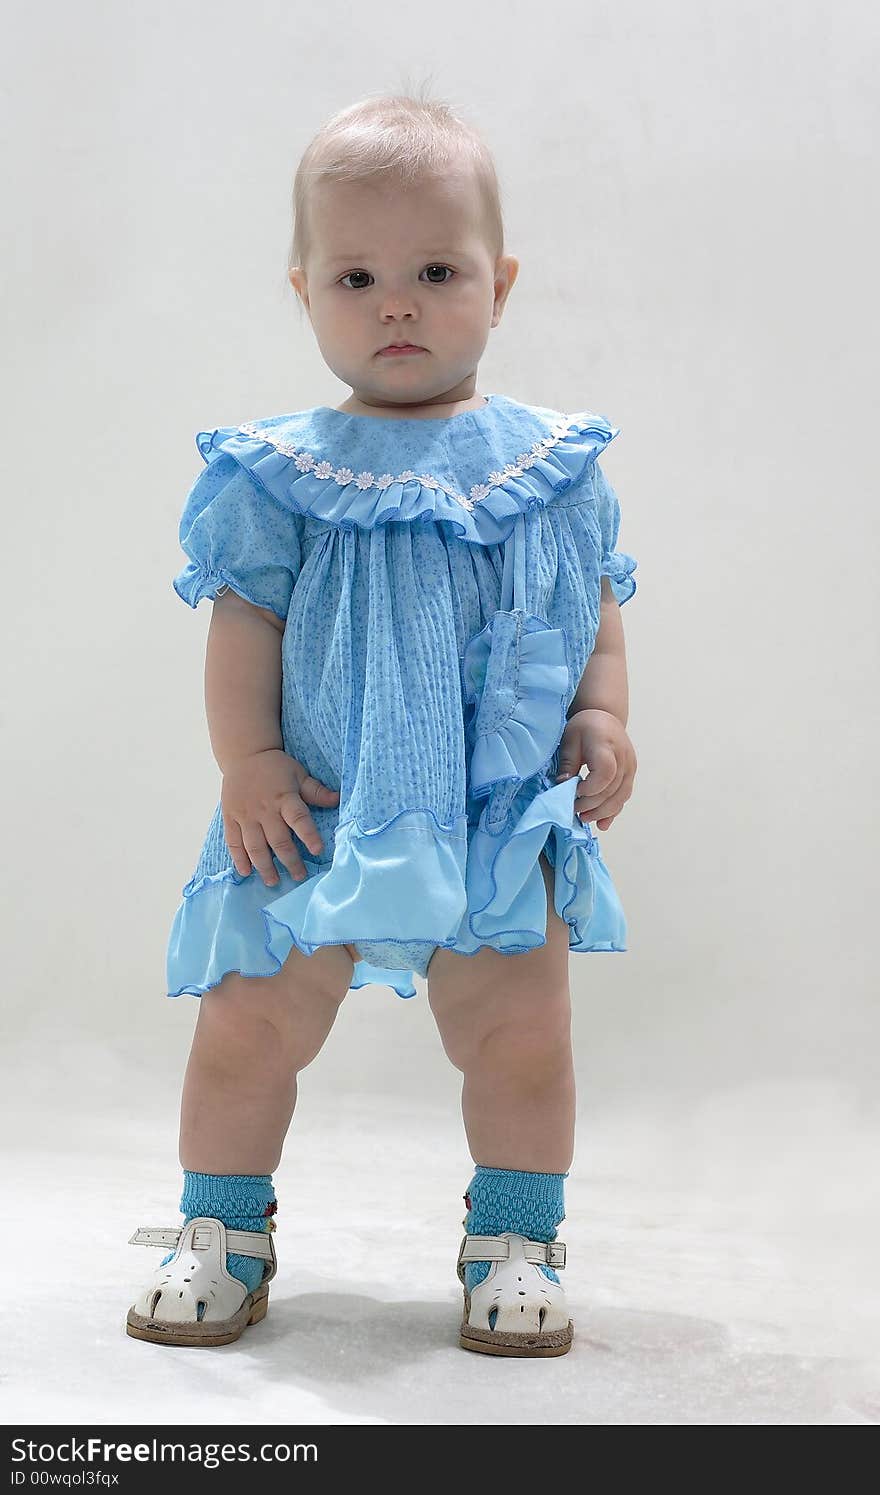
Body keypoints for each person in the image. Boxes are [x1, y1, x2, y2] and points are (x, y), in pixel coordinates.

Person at [125, 90, 638, 1358]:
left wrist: (603, 712)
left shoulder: (550, 465)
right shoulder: (276, 472)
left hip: (489, 809)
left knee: (522, 1036)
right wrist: (247, 762)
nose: (396, 302)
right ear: (301, 289)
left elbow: (593, 609)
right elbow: (243, 626)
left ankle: (516, 1235)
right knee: (246, 1026)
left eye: (434, 269)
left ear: (499, 283)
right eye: (356, 275)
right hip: (312, 809)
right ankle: (221, 1229)